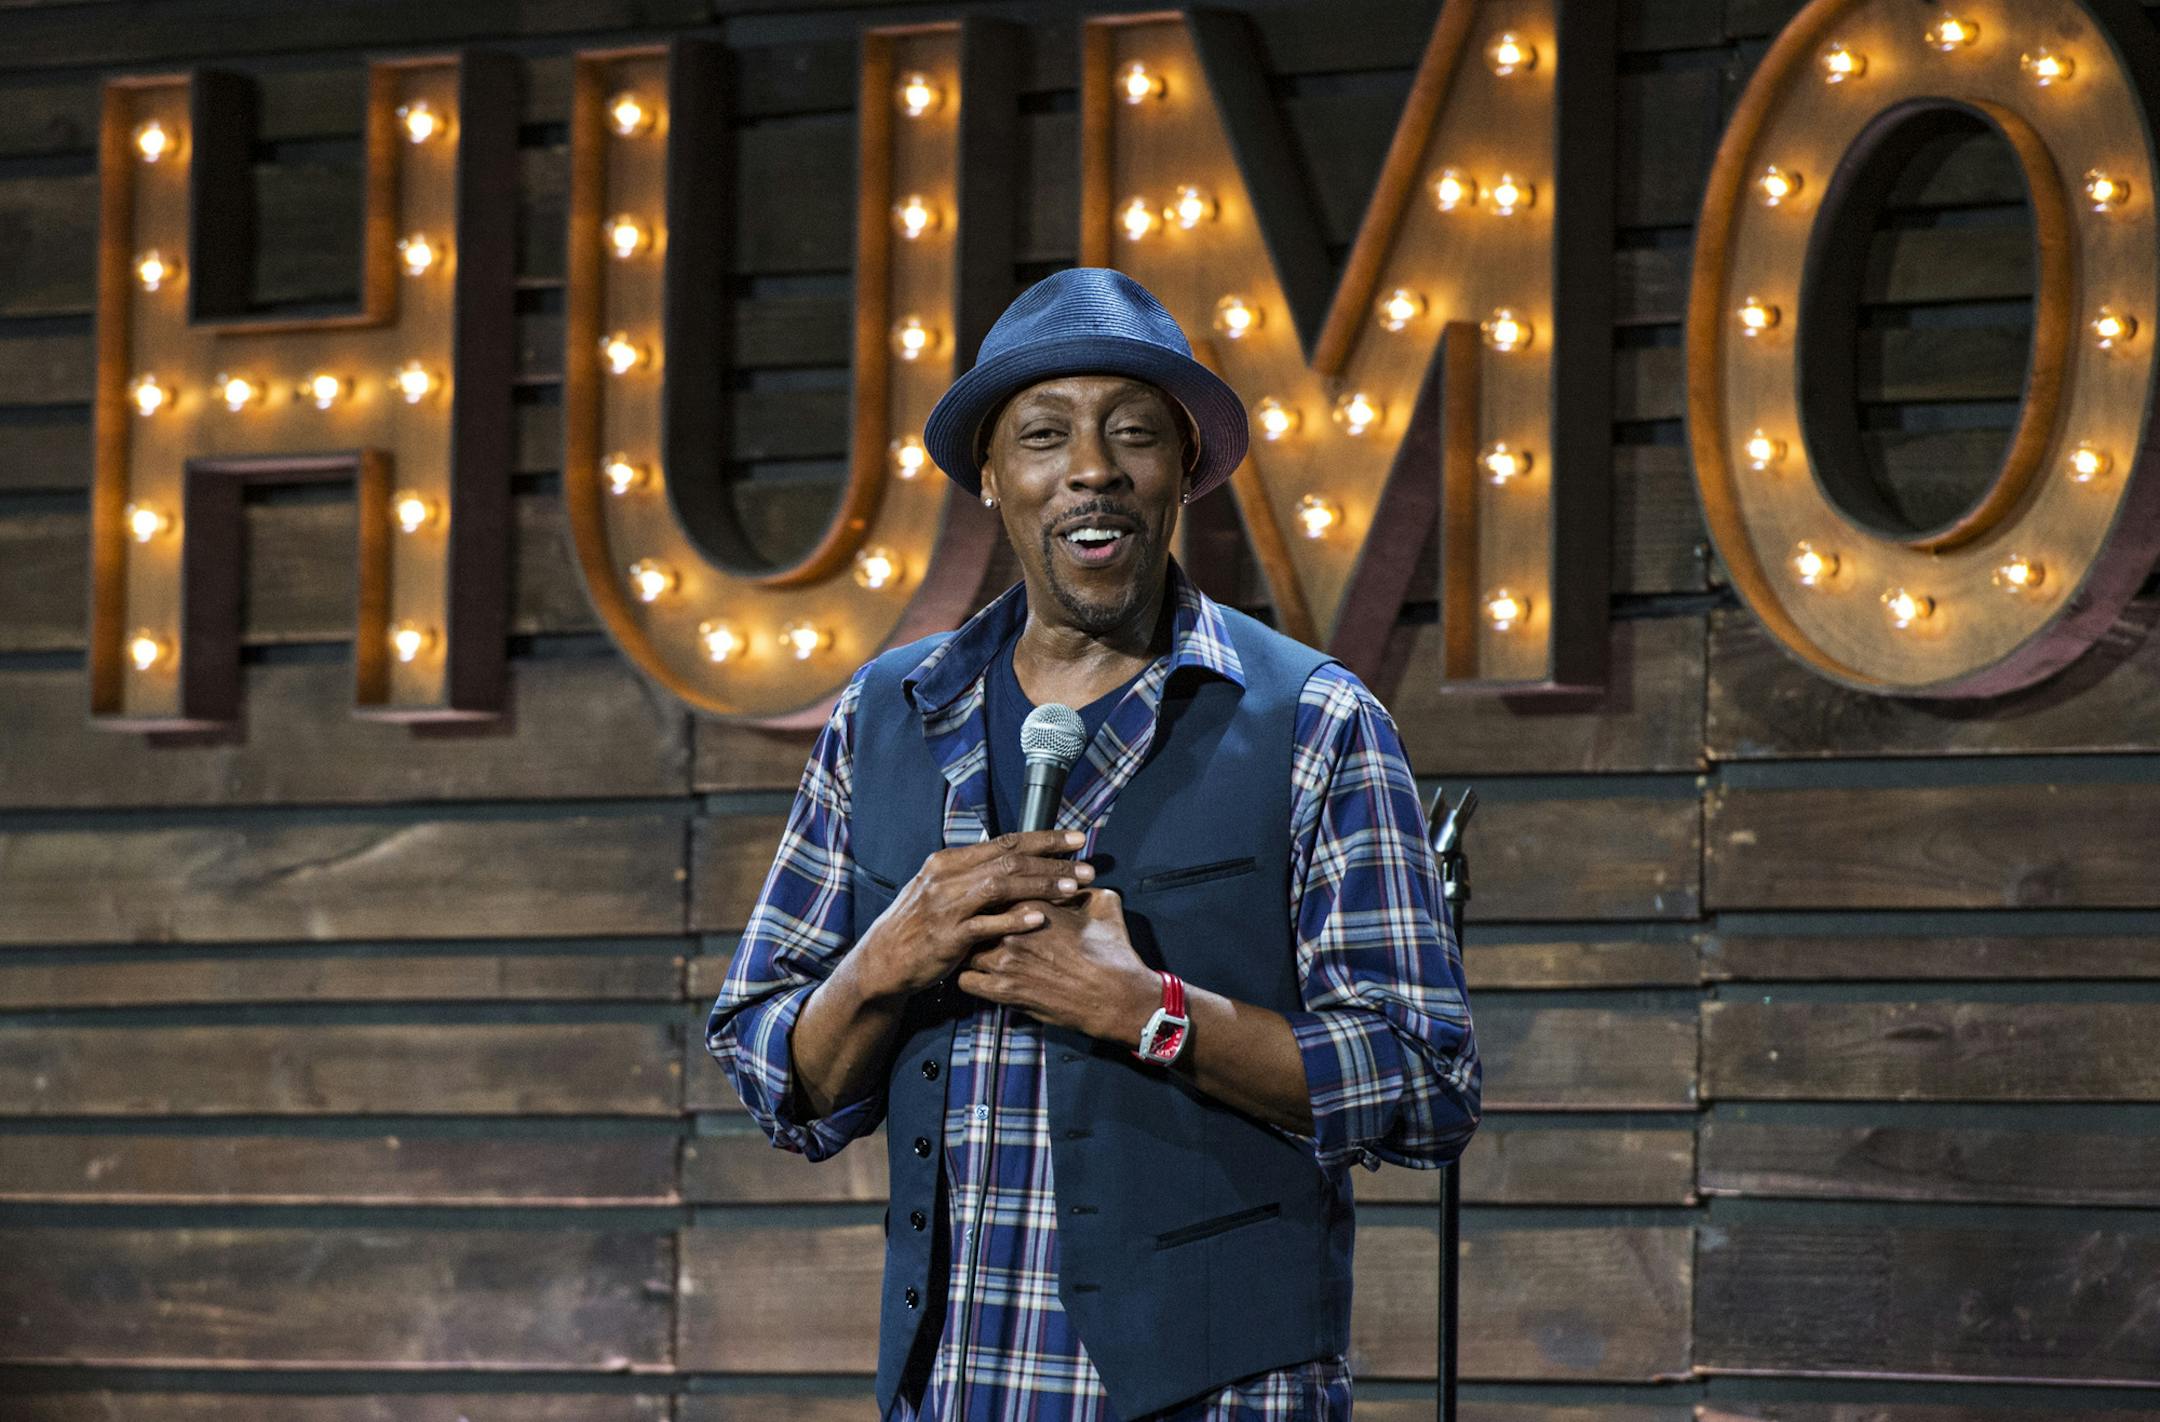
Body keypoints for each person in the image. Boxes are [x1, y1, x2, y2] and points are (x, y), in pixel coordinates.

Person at [705, 267, 1480, 1420]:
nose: (1092, 468)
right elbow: (771, 1067)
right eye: (1044, 435)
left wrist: (1154, 1012)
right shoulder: (885, 720)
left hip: (1215, 1396)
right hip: (956, 1389)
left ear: (1183, 476)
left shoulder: (1312, 722)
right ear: (991, 477)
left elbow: (1426, 1086)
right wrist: (886, 957)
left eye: (1132, 434)